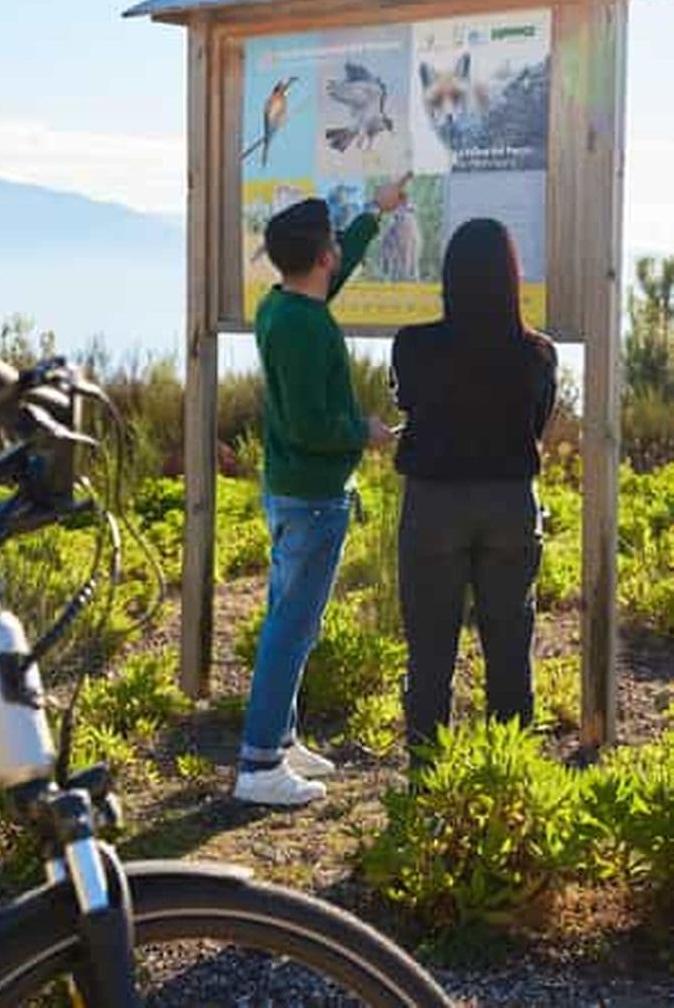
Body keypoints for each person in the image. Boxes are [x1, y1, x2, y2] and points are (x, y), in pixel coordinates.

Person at [233, 177, 408, 807]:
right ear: (323, 257)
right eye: (336, 242)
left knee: (292, 623)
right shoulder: (305, 326)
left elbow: (330, 276)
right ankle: (258, 766)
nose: (340, 249)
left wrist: (371, 216)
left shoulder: (282, 305)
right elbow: (312, 426)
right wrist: (363, 432)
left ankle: (279, 737)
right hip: (312, 497)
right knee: (290, 627)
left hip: (291, 492)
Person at [390, 218, 557, 766]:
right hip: (510, 504)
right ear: (511, 277)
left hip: (433, 506)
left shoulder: (413, 346)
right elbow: (537, 424)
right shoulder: (537, 354)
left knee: (431, 654)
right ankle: (510, 778)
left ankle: (427, 779)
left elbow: (409, 402)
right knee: (511, 651)